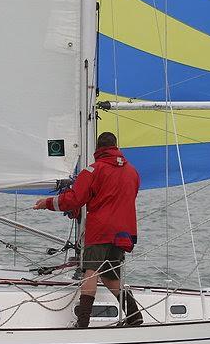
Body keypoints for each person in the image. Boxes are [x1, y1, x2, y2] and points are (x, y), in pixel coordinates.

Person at [33, 132, 143, 328]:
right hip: (124, 232)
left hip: (100, 230)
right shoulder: (133, 172)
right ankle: (134, 315)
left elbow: (75, 198)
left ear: (97, 150)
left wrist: (47, 203)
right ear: (116, 146)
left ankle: (83, 322)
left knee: (90, 272)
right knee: (109, 274)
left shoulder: (93, 170)